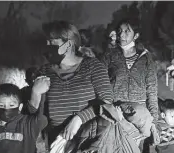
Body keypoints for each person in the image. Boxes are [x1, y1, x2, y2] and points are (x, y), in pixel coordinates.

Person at [31, 20, 113, 151]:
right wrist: (35, 93)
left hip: (87, 140)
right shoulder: (45, 71)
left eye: (52, 41)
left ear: (68, 44)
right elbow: (33, 114)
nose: (47, 45)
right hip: (56, 140)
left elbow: (107, 101)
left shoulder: (93, 66)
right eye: (47, 41)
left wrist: (79, 119)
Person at [100, 18, 159, 153]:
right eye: (120, 31)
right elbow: (100, 84)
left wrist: (154, 121)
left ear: (136, 35)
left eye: (127, 31)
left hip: (140, 115)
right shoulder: (109, 56)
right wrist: (108, 106)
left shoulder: (145, 58)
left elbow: (152, 90)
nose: (122, 35)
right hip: (116, 113)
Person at [0, 82, 48, 153]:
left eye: (11, 105)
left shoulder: (27, 124)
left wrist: (38, 93)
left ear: (20, 107)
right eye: (1, 105)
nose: (6, 109)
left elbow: (42, 120)